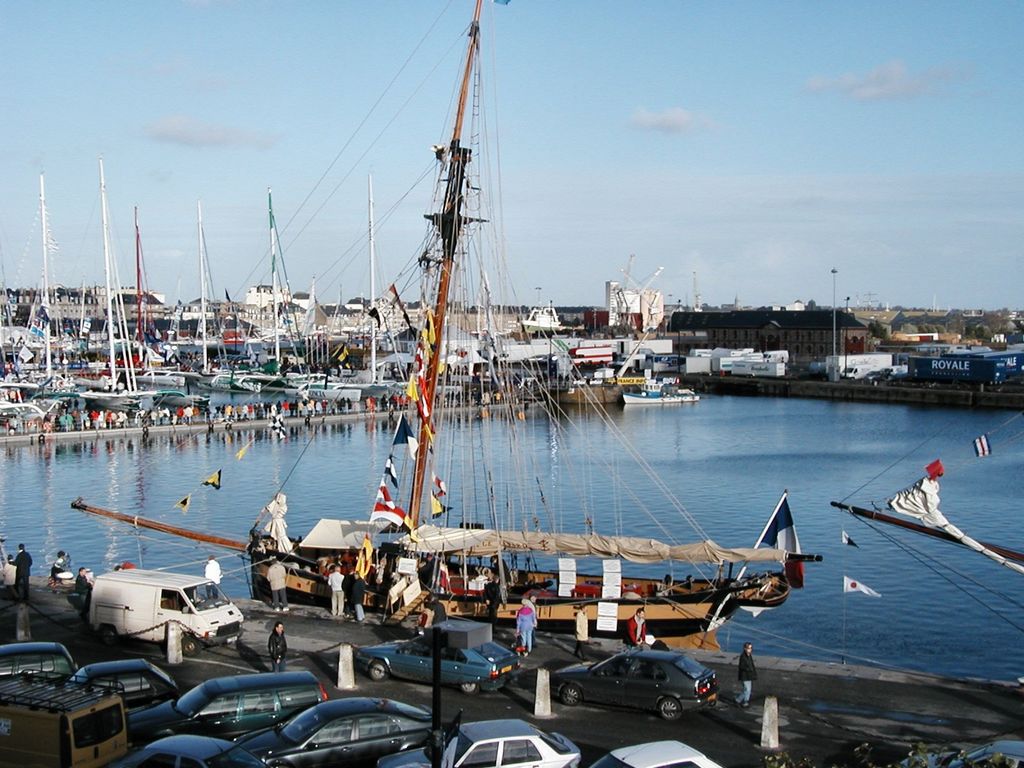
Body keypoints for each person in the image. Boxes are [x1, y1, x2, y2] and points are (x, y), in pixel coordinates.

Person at [736, 642, 757, 707]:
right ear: (745, 648)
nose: (750, 650)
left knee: (747, 689)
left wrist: (753, 673)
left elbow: (752, 665)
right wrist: (749, 669)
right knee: (747, 689)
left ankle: (738, 700)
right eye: (749, 648)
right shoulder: (743, 656)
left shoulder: (749, 656)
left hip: (749, 675)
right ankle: (745, 701)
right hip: (744, 676)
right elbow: (742, 666)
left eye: (751, 648)